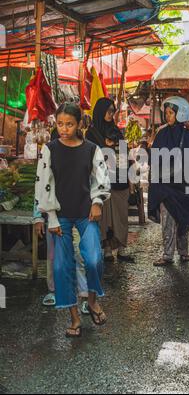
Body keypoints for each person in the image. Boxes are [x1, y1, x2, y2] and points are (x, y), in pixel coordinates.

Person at [35, 101, 111, 337]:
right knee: (61, 266)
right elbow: (43, 184)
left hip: (86, 212)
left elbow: (101, 178)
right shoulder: (50, 149)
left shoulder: (91, 149)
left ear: (79, 124)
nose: (64, 129)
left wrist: (97, 202)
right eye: (60, 124)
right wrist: (50, 218)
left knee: (93, 259)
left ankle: (93, 301)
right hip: (60, 216)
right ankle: (75, 318)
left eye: (69, 124)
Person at [148, 96, 189, 267]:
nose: (168, 116)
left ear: (181, 114)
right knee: (168, 220)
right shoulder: (162, 134)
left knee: (184, 218)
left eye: (171, 113)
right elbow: (154, 158)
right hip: (166, 187)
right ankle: (167, 254)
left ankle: (183, 251)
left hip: (184, 186)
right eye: (166, 113)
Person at [86, 97, 134, 263]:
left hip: (119, 180)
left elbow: (124, 153)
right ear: (100, 111)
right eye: (108, 111)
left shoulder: (116, 130)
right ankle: (106, 249)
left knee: (121, 215)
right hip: (101, 181)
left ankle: (121, 248)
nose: (110, 114)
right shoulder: (91, 133)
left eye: (113, 111)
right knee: (105, 217)